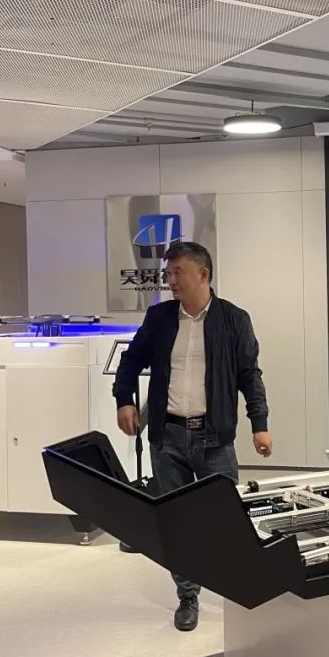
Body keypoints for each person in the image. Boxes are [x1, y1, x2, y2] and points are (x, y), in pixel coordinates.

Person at [112, 240, 273, 632]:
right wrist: (124, 400)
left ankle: (239, 586)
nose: (170, 281)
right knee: (177, 522)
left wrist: (260, 424)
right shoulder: (160, 317)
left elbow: (249, 375)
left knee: (227, 520)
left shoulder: (234, 320)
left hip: (215, 439)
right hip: (168, 438)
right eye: (168, 274)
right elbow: (131, 360)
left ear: (203, 275)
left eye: (177, 273)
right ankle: (188, 595)